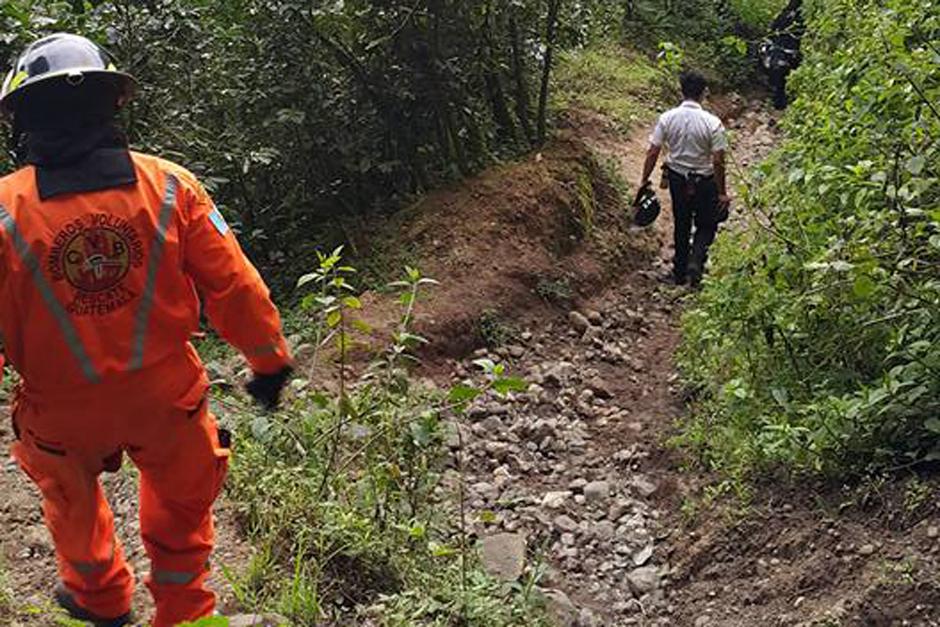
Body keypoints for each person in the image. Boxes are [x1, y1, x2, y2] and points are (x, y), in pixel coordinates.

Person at [0, 33, 293, 627]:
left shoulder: (5, 209)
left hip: (60, 411)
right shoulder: (169, 186)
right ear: (113, 104)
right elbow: (233, 284)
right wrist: (269, 363)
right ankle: (185, 612)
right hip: (167, 399)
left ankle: (101, 599)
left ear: (24, 119)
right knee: (182, 505)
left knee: (72, 505)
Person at [639, 71, 730, 287]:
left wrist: (644, 179)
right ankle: (696, 261)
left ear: (681, 91)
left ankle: (679, 271)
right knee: (706, 223)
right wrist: (722, 192)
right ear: (703, 93)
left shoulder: (667, 118)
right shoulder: (713, 123)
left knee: (682, 222)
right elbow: (718, 161)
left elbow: (653, 151)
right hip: (705, 180)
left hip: (678, 179)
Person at [760, 0, 804, 109]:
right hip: (786, 54)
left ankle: (779, 100)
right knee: (780, 79)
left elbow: (772, 31)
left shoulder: (784, 15)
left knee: (778, 79)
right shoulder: (798, 17)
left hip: (781, 54)